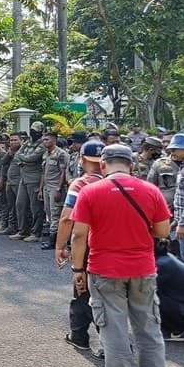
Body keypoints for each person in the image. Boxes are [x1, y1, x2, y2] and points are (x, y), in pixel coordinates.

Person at [70, 143, 171, 367]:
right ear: (132, 165)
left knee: (113, 328)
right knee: (148, 325)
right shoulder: (151, 191)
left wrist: (77, 270)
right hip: (143, 269)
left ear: (103, 165)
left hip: (105, 269)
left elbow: (79, 234)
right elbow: (162, 232)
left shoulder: (91, 192)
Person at [54, 140, 105, 355]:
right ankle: (109, 341)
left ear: (83, 159)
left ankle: (80, 336)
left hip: (86, 245)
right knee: (111, 297)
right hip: (112, 247)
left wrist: (59, 246)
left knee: (82, 288)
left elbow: (67, 218)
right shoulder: (115, 182)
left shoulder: (80, 184)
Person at [11, 122, 46, 242]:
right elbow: (17, 156)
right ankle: (22, 231)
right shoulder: (28, 142)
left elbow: (32, 158)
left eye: (36, 131)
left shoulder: (42, 144)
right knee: (20, 204)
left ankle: (36, 232)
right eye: (32, 130)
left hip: (35, 179)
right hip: (24, 178)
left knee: (35, 207)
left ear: (41, 131)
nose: (33, 133)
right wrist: (26, 161)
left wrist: (25, 160)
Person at [39, 132, 69, 250]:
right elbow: (43, 173)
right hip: (47, 187)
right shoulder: (46, 154)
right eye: (44, 139)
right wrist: (41, 189)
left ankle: (54, 241)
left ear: (54, 140)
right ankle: (54, 239)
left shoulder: (61, 154)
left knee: (55, 213)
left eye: (47, 139)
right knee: (49, 214)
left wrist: (58, 189)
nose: (44, 141)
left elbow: (62, 173)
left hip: (55, 187)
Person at [154, 240, 184, 341]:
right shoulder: (167, 258)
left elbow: (140, 290)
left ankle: (165, 329)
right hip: (180, 306)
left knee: (147, 295)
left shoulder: (161, 264)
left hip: (181, 311)